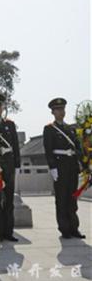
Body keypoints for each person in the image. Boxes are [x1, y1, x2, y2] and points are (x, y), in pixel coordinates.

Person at [43, 97, 85, 239]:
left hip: (72, 167)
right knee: (61, 199)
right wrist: (52, 168)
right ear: (53, 112)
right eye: (58, 109)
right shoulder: (49, 129)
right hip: (59, 167)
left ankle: (74, 228)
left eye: (62, 109)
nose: (61, 112)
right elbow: (48, 150)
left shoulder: (71, 129)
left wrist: (81, 161)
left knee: (72, 198)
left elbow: (78, 147)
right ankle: (64, 229)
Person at [0, 93, 21, 242]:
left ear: (3, 107)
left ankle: (9, 231)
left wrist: (17, 165)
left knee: (9, 200)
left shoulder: (10, 124)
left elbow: (15, 145)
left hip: (8, 164)